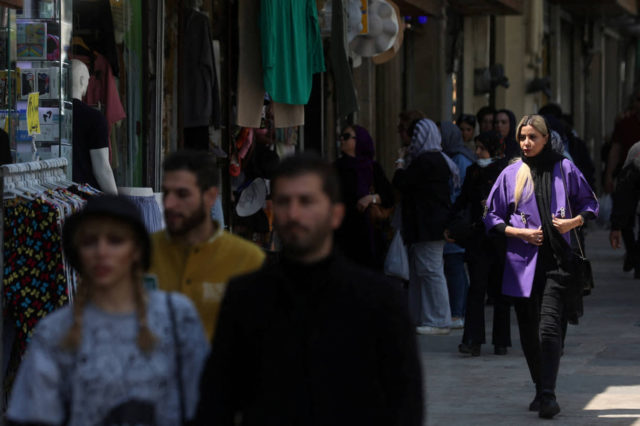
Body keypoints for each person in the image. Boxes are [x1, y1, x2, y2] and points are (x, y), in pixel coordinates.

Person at [194, 154, 423, 425]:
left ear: (335, 213)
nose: (293, 214)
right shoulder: (246, 297)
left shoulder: (379, 301)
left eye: (306, 201)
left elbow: (405, 406)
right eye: (283, 202)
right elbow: (217, 400)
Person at [6, 195, 209, 425]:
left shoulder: (177, 318)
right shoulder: (54, 333)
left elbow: (208, 404)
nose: (101, 251)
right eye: (90, 241)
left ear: (136, 251)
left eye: (115, 240)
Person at [483, 114, 598, 418]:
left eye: (533, 136)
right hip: (522, 265)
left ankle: (548, 394)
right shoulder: (512, 174)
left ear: (547, 139)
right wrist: (519, 232)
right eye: (522, 137)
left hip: (559, 262)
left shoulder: (565, 168)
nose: (526, 142)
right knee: (529, 331)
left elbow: (590, 204)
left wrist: (572, 222)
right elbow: (491, 218)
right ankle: (540, 386)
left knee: (548, 327)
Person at [148, 150, 265, 339]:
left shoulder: (248, 260)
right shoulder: (142, 252)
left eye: (182, 194)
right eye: (167, 192)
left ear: (210, 197)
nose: (169, 203)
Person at [446, 131, 511, 356]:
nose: (477, 152)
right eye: (477, 147)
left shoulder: (506, 171)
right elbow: (463, 200)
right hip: (478, 239)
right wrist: (450, 223)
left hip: (500, 239)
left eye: (481, 148)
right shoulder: (473, 172)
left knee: (500, 293)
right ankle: (473, 340)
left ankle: (501, 341)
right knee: (476, 290)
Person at [393, 118, 458, 335]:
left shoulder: (426, 161)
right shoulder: (438, 159)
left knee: (430, 271)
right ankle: (428, 316)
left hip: (427, 226)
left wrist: (400, 163)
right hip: (431, 225)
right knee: (428, 270)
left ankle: (437, 319)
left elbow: (402, 182)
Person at [334, 125, 395, 269]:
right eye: (341, 136)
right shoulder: (336, 168)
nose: (342, 139)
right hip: (342, 234)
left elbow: (389, 196)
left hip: (369, 235)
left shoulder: (372, 168)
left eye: (347, 137)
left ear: (359, 141)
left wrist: (371, 199)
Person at [440, 121, 475, 328]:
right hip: (457, 218)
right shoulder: (453, 157)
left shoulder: (459, 159)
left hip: (458, 220)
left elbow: (459, 192)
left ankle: (458, 311)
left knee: (454, 265)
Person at [610, 141, 640, 277]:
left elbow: (623, 192)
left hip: (630, 184)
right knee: (627, 220)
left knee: (626, 220)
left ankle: (634, 255)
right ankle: (634, 255)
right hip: (632, 183)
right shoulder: (636, 150)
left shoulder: (636, 149)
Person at [605, 87, 640, 194]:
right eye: (639, 100)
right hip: (629, 179)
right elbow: (615, 151)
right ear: (634, 103)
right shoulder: (625, 124)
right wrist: (609, 175)